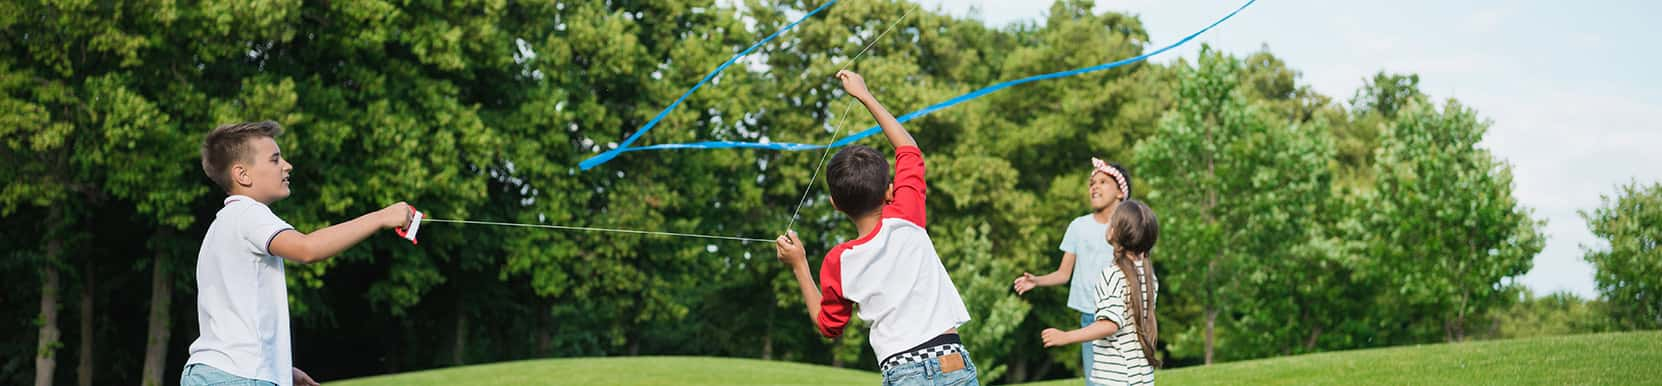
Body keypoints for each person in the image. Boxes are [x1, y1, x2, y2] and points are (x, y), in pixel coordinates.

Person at [775, 70, 977, 385]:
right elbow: (909, 150)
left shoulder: (839, 261)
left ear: (835, 204)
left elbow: (828, 326)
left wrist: (799, 264)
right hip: (951, 360)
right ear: (890, 192)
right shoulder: (906, 215)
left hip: (903, 372)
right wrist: (864, 95)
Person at [184, 121, 413, 386]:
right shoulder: (248, 213)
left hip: (211, 372)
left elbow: (235, 319)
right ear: (242, 175)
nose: (287, 165)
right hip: (238, 378)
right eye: (275, 159)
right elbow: (307, 249)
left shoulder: (220, 227)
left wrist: (280, 369)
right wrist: (382, 217)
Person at [1013, 158, 1132, 385]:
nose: (1094, 186)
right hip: (1090, 316)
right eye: (1091, 183)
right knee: (1096, 381)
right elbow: (1063, 274)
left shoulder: (1128, 228)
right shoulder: (1078, 226)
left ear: (1120, 192)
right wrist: (1036, 281)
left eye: (1103, 182)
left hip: (1123, 317)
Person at [1039, 200, 1161, 385]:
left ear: (1113, 232)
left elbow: (1109, 324)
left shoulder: (1113, 275)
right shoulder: (1149, 277)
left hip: (1115, 378)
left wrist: (1066, 336)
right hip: (1142, 377)